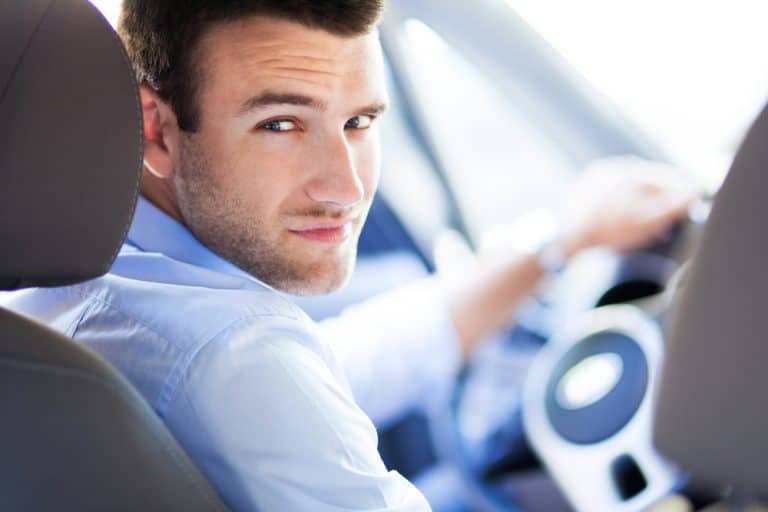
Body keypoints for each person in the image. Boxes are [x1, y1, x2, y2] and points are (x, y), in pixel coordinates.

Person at [0, 1, 698, 510]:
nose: (348, 187)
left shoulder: (88, 282)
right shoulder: (232, 354)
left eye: (359, 121)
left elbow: (334, 365)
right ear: (156, 129)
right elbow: (254, 373)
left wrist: (556, 243)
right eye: (281, 123)